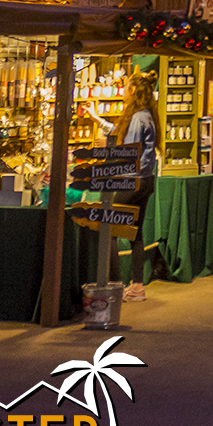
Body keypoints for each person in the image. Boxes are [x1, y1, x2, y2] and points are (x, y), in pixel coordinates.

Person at [85, 69, 160, 302]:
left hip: (133, 180)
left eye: (126, 86)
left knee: (109, 226)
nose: (123, 90)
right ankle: (137, 286)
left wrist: (107, 150)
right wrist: (98, 120)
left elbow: (130, 152)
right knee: (135, 232)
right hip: (145, 180)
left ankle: (115, 283)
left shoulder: (138, 118)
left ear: (133, 90)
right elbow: (124, 137)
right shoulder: (146, 115)